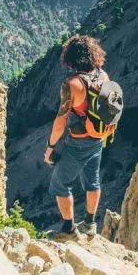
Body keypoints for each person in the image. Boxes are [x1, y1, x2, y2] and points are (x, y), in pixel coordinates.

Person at [45, 34, 113, 236]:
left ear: (71, 58)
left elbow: (60, 121)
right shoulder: (104, 76)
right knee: (93, 181)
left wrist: (50, 148)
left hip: (78, 142)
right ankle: (90, 225)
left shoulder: (72, 84)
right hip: (98, 138)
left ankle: (68, 230)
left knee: (59, 184)